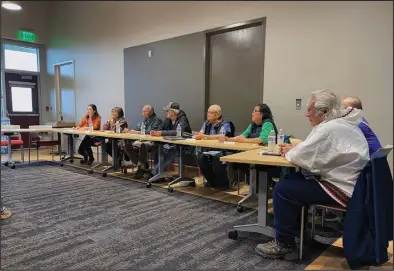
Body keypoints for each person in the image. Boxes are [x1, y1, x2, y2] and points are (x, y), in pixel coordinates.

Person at [255, 89, 369, 259]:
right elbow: (313, 153)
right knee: (294, 178)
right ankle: (298, 234)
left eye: (309, 110)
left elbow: (300, 156)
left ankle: (285, 244)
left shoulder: (328, 129)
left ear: (323, 112)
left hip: (341, 188)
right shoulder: (342, 124)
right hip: (354, 185)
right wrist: (297, 149)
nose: (306, 114)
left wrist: (292, 150)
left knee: (283, 188)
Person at [194, 104, 235, 189]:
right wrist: (198, 135)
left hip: (223, 150)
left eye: (210, 112)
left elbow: (221, 136)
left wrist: (205, 137)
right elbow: (201, 133)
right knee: (201, 158)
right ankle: (212, 183)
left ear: (217, 114)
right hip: (210, 149)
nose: (208, 114)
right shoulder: (207, 122)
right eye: (207, 112)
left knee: (217, 158)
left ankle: (223, 184)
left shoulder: (226, 123)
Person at [150, 102, 192, 173]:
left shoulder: (183, 119)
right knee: (157, 147)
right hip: (170, 143)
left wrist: (162, 133)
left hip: (182, 146)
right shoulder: (168, 119)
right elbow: (160, 128)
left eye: (167, 110)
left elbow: (178, 132)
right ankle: (158, 173)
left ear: (173, 112)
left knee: (172, 150)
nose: (166, 112)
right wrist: (155, 132)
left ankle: (155, 173)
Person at [123, 105, 163, 179]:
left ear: (151, 112)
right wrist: (130, 131)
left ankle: (141, 168)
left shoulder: (157, 120)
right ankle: (141, 165)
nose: (143, 113)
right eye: (142, 111)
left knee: (143, 145)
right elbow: (136, 129)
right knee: (127, 147)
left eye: (145, 111)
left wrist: (137, 132)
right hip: (140, 141)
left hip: (152, 142)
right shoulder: (142, 121)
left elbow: (153, 132)